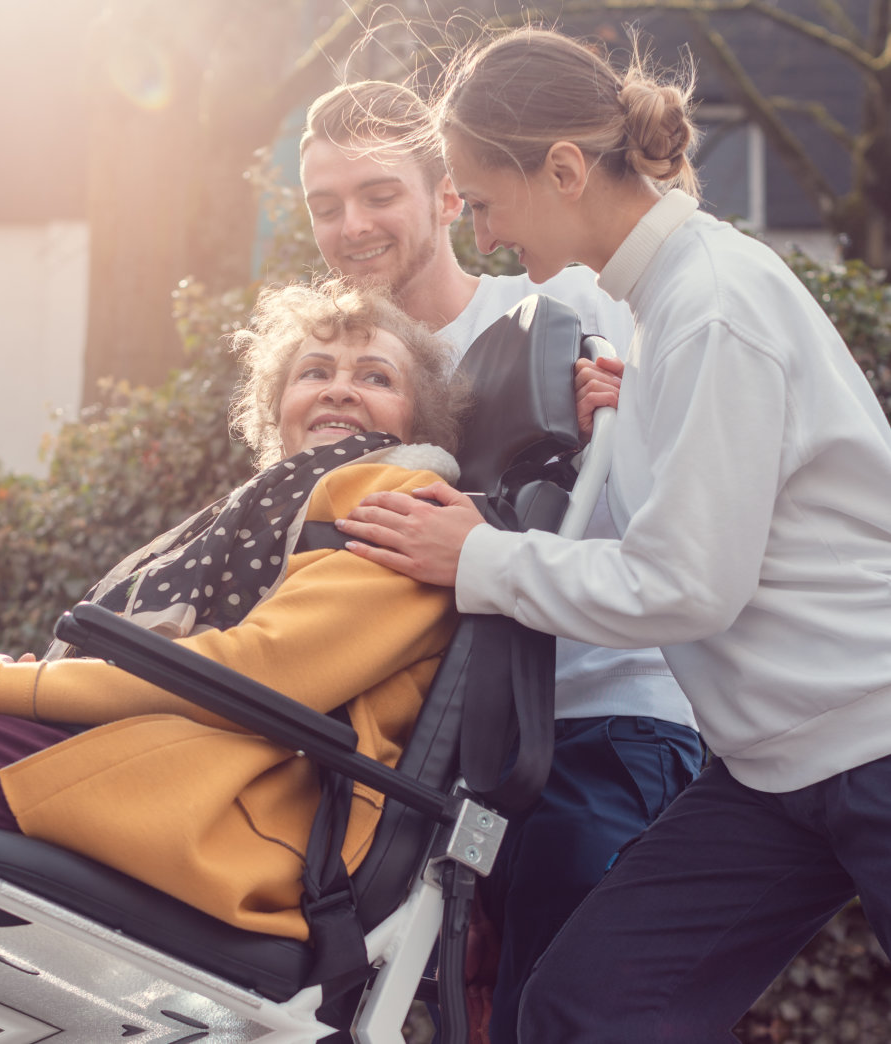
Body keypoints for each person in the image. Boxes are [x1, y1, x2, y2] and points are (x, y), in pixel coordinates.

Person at [334, 28, 891, 1043]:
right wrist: (631, 423)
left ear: (563, 168)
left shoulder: (715, 305)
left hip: (873, 737)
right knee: (589, 1008)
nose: (487, 236)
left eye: (486, 202)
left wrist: (479, 561)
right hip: (772, 771)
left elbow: (687, 587)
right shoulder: (661, 313)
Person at [0, 279, 468, 943]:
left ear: (419, 421)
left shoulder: (404, 506)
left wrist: (7, 686)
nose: (339, 388)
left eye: (375, 376)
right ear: (278, 411)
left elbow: (257, 675)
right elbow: (114, 665)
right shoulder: (255, 518)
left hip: (204, 808)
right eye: (315, 371)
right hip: (133, 765)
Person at [301, 80, 703, 1040]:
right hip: (431, 755)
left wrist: (632, 403)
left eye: (378, 193)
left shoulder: (564, 299)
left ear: (451, 196)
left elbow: (696, 444)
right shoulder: (342, 371)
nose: (351, 225)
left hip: (595, 717)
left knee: (565, 992)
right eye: (325, 205)